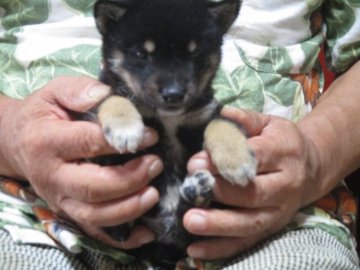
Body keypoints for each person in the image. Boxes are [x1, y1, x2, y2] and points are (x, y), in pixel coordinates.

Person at [0, 0, 359, 269]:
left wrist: (318, 153)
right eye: (143, 57)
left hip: (275, 212)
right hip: (27, 211)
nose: (172, 88)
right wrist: (11, 135)